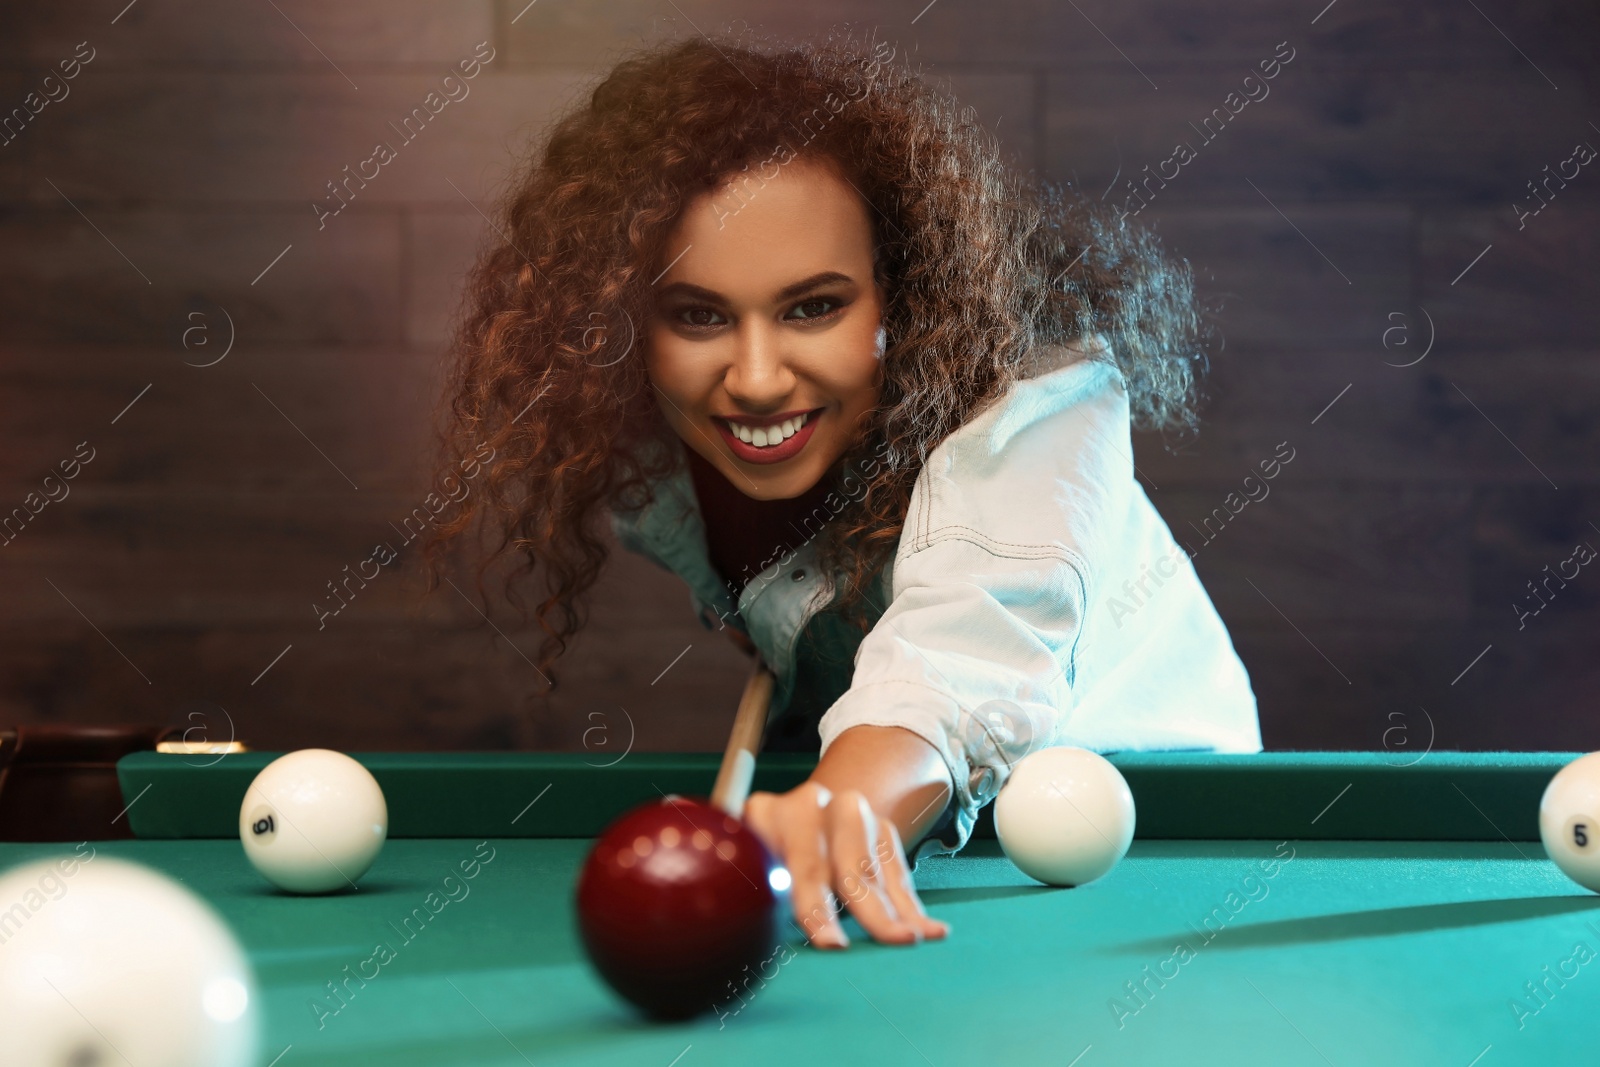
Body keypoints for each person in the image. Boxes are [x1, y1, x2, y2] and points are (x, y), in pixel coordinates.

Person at [423, 32, 1261, 951]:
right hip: (899, 830)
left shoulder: (1046, 407)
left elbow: (960, 656)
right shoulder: (654, 468)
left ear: (898, 299)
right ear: (634, 322)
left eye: (813, 306)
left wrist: (839, 800)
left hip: (1162, 831)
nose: (754, 379)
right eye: (698, 315)